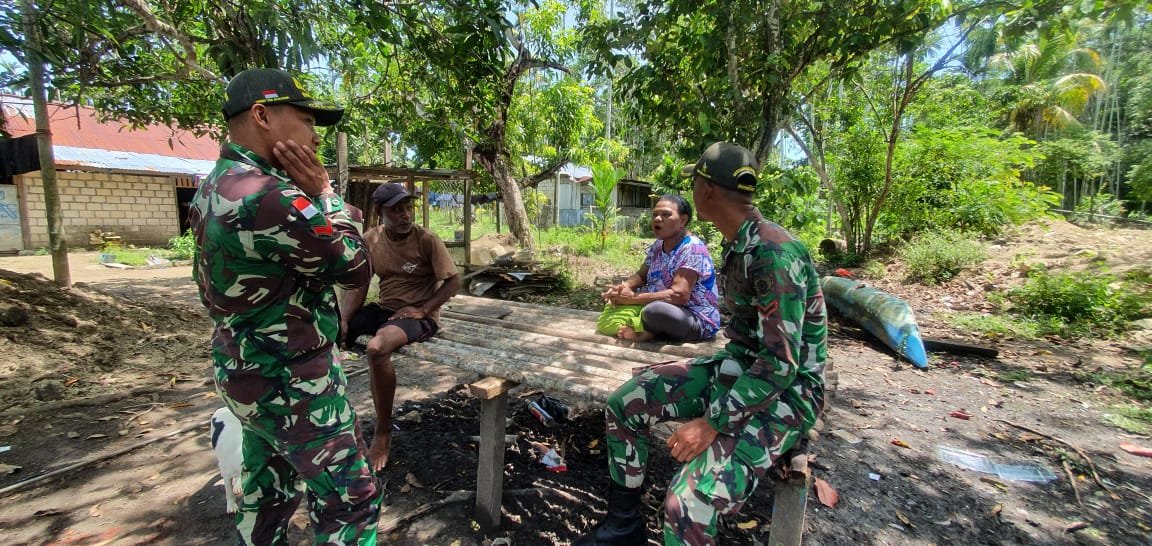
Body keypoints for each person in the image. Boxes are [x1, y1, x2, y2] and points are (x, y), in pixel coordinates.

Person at [574, 142, 828, 546]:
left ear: (705, 190)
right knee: (627, 400)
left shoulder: (773, 252)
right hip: (740, 370)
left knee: (684, 506)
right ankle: (624, 526)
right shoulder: (737, 243)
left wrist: (712, 423)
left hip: (788, 393)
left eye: (693, 184)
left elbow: (781, 365)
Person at [190, 68, 381, 545]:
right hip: (294, 382)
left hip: (242, 370)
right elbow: (356, 268)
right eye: (305, 118)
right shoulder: (272, 197)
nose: (315, 134)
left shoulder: (212, 187)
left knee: (268, 491)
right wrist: (325, 194)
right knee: (350, 499)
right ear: (262, 116)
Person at [341, 182, 461, 471]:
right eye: (396, 210)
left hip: (419, 316)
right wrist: (344, 320)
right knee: (328, 331)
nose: (405, 215)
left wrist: (424, 309)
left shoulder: (426, 240)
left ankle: (383, 431)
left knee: (377, 347)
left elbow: (454, 282)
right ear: (381, 212)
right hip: (385, 309)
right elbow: (360, 284)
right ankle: (327, 424)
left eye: (408, 208)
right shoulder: (371, 239)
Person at [598, 195, 720, 342]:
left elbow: (678, 296)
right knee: (618, 306)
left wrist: (631, 299)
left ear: (683, 220)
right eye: (655, 214)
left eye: (666, 215)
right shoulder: (658, 245)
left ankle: (648, 332)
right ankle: (643, 328)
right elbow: (642, 275)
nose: (657, 219)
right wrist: (624, 287)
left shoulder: (692, 248)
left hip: (694, 318)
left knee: (654, 311)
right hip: (660, 307)